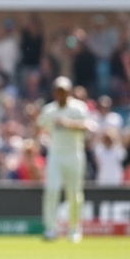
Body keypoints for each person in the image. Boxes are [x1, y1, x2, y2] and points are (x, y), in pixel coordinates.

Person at [37, 76, 95, 242]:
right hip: (55, 156)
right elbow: (40, 127)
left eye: (63, 91)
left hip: (74, 155)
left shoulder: (78, 108)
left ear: (69, 92)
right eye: (58, 91)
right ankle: (50, 228)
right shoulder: (49, 110)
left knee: (74, 194)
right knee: (52, 190)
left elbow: (88, 126)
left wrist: (67, 123)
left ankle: (74, 229)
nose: (60, 94)